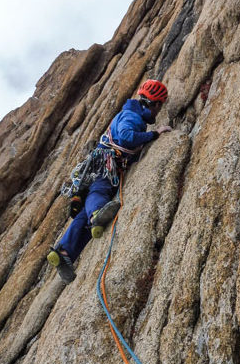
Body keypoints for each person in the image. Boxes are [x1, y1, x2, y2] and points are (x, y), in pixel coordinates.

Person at [47, 79, 172, 283]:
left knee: (86, 217)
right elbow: (125, 137)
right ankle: (97, 213)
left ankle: (65, 252)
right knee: (99, 194)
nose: (159, 111)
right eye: (160, 106)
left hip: (97, 167)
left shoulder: (129, 113)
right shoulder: (132, 115)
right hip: (105, 165)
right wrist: (153, 134)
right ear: (155, 103)